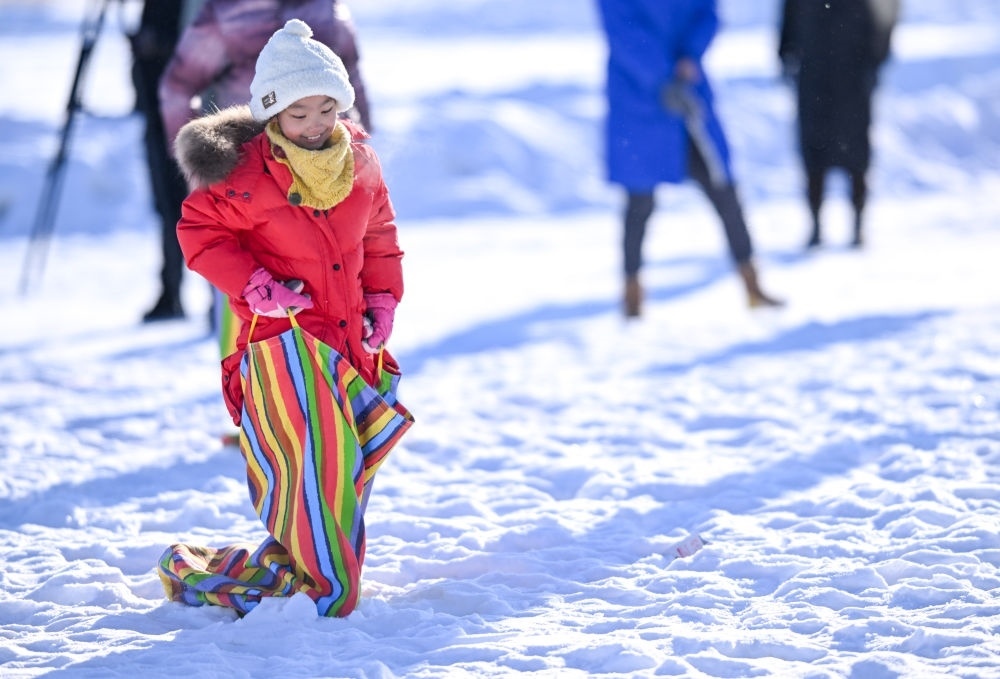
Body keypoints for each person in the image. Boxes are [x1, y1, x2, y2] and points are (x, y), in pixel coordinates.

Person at [158, 19, 409, 617]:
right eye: (299, 113)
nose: (316, 123)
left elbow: (379, 233)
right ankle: (325, 587)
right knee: (315, 476)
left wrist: (382, 298)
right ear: (272, 113)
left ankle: (302, 573)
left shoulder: (359, 160)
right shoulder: (243, 173)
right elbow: (199, 233)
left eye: (327, 108)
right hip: (283, 346)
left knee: (346, 470)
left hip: (347, 341)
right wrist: (254, 285)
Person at [157, 0, 372, 339]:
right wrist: (205, 167)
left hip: (326, 168)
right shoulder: (229, 11)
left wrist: (361, 147)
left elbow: (351, 75)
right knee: (250, 315)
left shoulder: (326, 6)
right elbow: (178, 87)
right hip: (249, 178)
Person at [596, 0, 783, 318]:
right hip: (640, 97)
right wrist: (661, 76)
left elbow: (707, 13)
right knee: (639, 200)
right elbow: (623, 30)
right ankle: (632, 293)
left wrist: (688, 57)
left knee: (723, 189)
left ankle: (752, 284)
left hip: (689, 89)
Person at [779, 0, 899, 249]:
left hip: (854, 69)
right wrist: (785, 53)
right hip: (814, 67)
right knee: (814, 150)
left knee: (856, 151)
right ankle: (815, 224)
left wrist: (878, 56)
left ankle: (857, 223)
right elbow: (789, 13)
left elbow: (886, 10)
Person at [129, 0, 191, 321]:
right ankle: (171, 291)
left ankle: (210, 298)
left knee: (186, 202)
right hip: (158, 102)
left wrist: (160, 44)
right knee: (168, 203)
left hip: (185, 103)